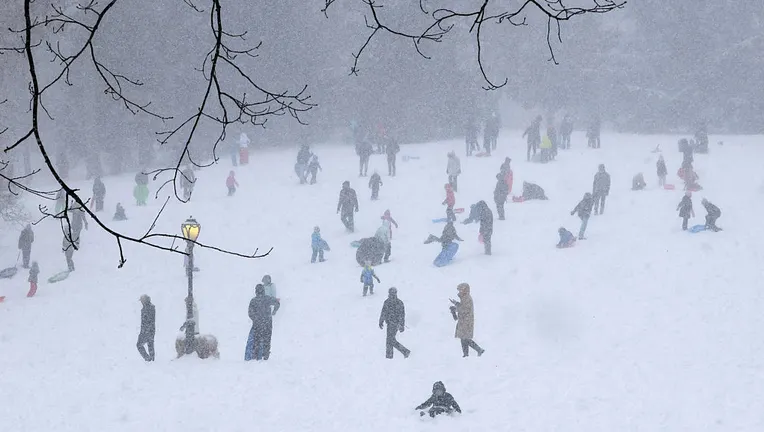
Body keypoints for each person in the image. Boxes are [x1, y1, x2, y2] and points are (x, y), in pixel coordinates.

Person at [449, 283, 484, 357]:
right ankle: (467, 354)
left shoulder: (467, 298)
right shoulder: (465, 298)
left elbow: (463, 309)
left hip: (466, 322)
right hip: (465, 321)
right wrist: (456, 303)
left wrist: (455, 308)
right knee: (463, 338)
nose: (459, 291)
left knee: (465, 338)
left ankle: (477, 350)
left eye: (460, 290)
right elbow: (463, 307)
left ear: (464, 290)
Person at [247, 284, 280, 361]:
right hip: (267, 324)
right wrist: (274, 310)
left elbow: (250, 313)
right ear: (263, 290)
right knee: (267, 340)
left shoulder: (253, 300)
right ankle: (265, 356)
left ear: (256, 291)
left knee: (256, 341)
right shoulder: (268, 299)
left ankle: (255, 357)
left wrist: (256, 319)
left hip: (257, 325)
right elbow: (277, 303)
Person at [379, 287, 410, 359]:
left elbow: (402, 314)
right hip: (389, 323)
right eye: (391, 293)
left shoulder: (399, 303)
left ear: (396, 293)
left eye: (393, 293)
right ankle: (390, 356)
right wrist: (381, 321)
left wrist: (401, 325)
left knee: (390, 340)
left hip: (395, 324)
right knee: (390, 339)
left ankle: (404, 351)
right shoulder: (387, 302)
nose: (392, 295)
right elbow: (383, 312)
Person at [137, 295, 156, 362]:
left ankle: (148, 359)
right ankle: (152, 358)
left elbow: (147, 321)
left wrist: (144, 331)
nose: (141, 302)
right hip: (151, 330)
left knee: (139, 345)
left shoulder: (147, 308)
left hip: (146, 330)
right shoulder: (151, 308)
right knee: (150, 344)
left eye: (142, 301)